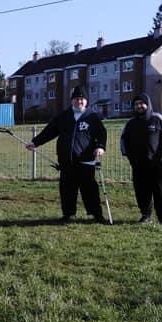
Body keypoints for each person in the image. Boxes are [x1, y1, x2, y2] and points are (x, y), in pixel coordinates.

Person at [27, 85, 108, 223]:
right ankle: (68, 214)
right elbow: (49, 131)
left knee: (90, 189)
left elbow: (102, 134)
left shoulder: (92, 117)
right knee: (67, 189)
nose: (79, 102)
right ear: (72, 101)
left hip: (86, 160)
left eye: (82, 99)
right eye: (76, 99)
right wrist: (36, 142)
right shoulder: (63, 117)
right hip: (67, 161)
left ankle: (96, 215)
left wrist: (100, 147)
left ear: (86, 101)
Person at [120, 93, 162, 226]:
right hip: (138, 165)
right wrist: (128, 155)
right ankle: (145, 215)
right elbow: (123, 140)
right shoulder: (130, 123)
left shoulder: (158, 119)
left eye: (141, 103)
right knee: (141, 191)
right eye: (136, 104)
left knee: (159, 191)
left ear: (148, 104)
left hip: (156, 164)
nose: (139, 106)